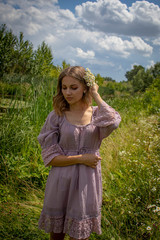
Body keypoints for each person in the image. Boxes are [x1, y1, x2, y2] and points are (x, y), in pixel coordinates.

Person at [37, 66, 121, 240]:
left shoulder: (97, 115)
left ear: (85, 88)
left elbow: (113, 121)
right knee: (57, 233)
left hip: (87, 182)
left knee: (80, 235)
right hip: (60, 179)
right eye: (64, 87)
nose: (67, 92)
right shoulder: (57, 116)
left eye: (73, 87)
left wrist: (96, 95)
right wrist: (82, 158)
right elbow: (50, 158)